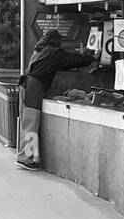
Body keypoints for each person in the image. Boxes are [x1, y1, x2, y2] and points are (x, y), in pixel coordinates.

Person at [18, 30, 98, 170]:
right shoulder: (52, 52)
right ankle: (25, 158)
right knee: (31, 122)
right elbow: (70, 60)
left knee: (29, 121)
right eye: (59, 41)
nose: (60, 43)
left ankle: (28, 156)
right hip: (34, 87)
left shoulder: (40, 49)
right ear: (54, 40)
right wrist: (91, 58)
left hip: (28, 85)